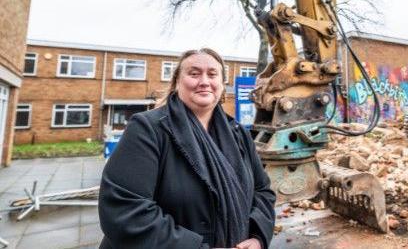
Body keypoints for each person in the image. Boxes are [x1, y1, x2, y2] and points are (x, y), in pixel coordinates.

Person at [98, 48, 276, 249]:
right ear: (176, 82)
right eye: (194, 73)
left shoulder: (239, 134)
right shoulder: (148, 129)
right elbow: (125, 209)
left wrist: (258, 237)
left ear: (222, 84)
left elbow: (263, 191)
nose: (204, 81)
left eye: (212, 74)